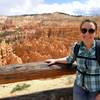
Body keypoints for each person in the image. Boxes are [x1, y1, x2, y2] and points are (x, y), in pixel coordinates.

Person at [45, 19, 100, 100]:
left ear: (95, 33)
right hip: (79, 88)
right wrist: (56, 60)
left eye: (91, 31)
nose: (87, 33)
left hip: (95, 90)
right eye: (84, 30)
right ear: (80, 32)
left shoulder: (99, 48)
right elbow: (69, 59)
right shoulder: (77, 47)